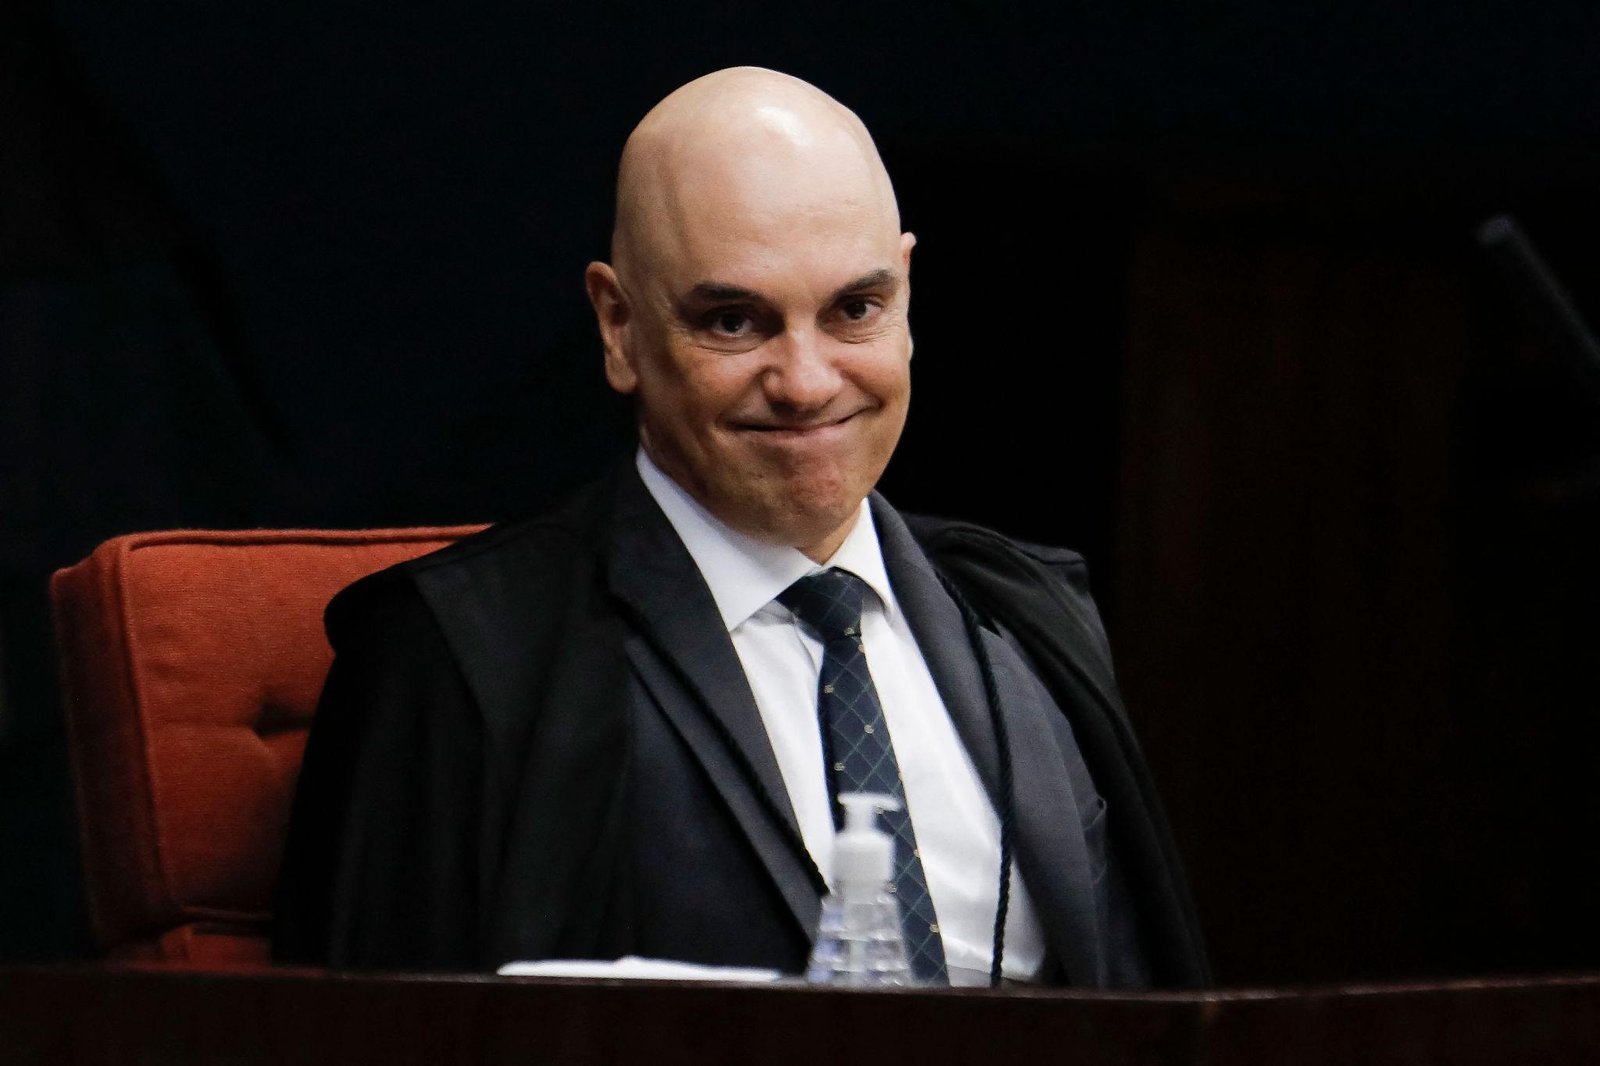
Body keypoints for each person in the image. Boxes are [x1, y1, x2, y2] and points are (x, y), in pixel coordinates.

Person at [273, 66, 1208, 988]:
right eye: (733, 322)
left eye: (854, 310)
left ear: (907, 299)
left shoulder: (1030, 619)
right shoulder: (457, 654)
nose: (806, 382)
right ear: (619, 327)